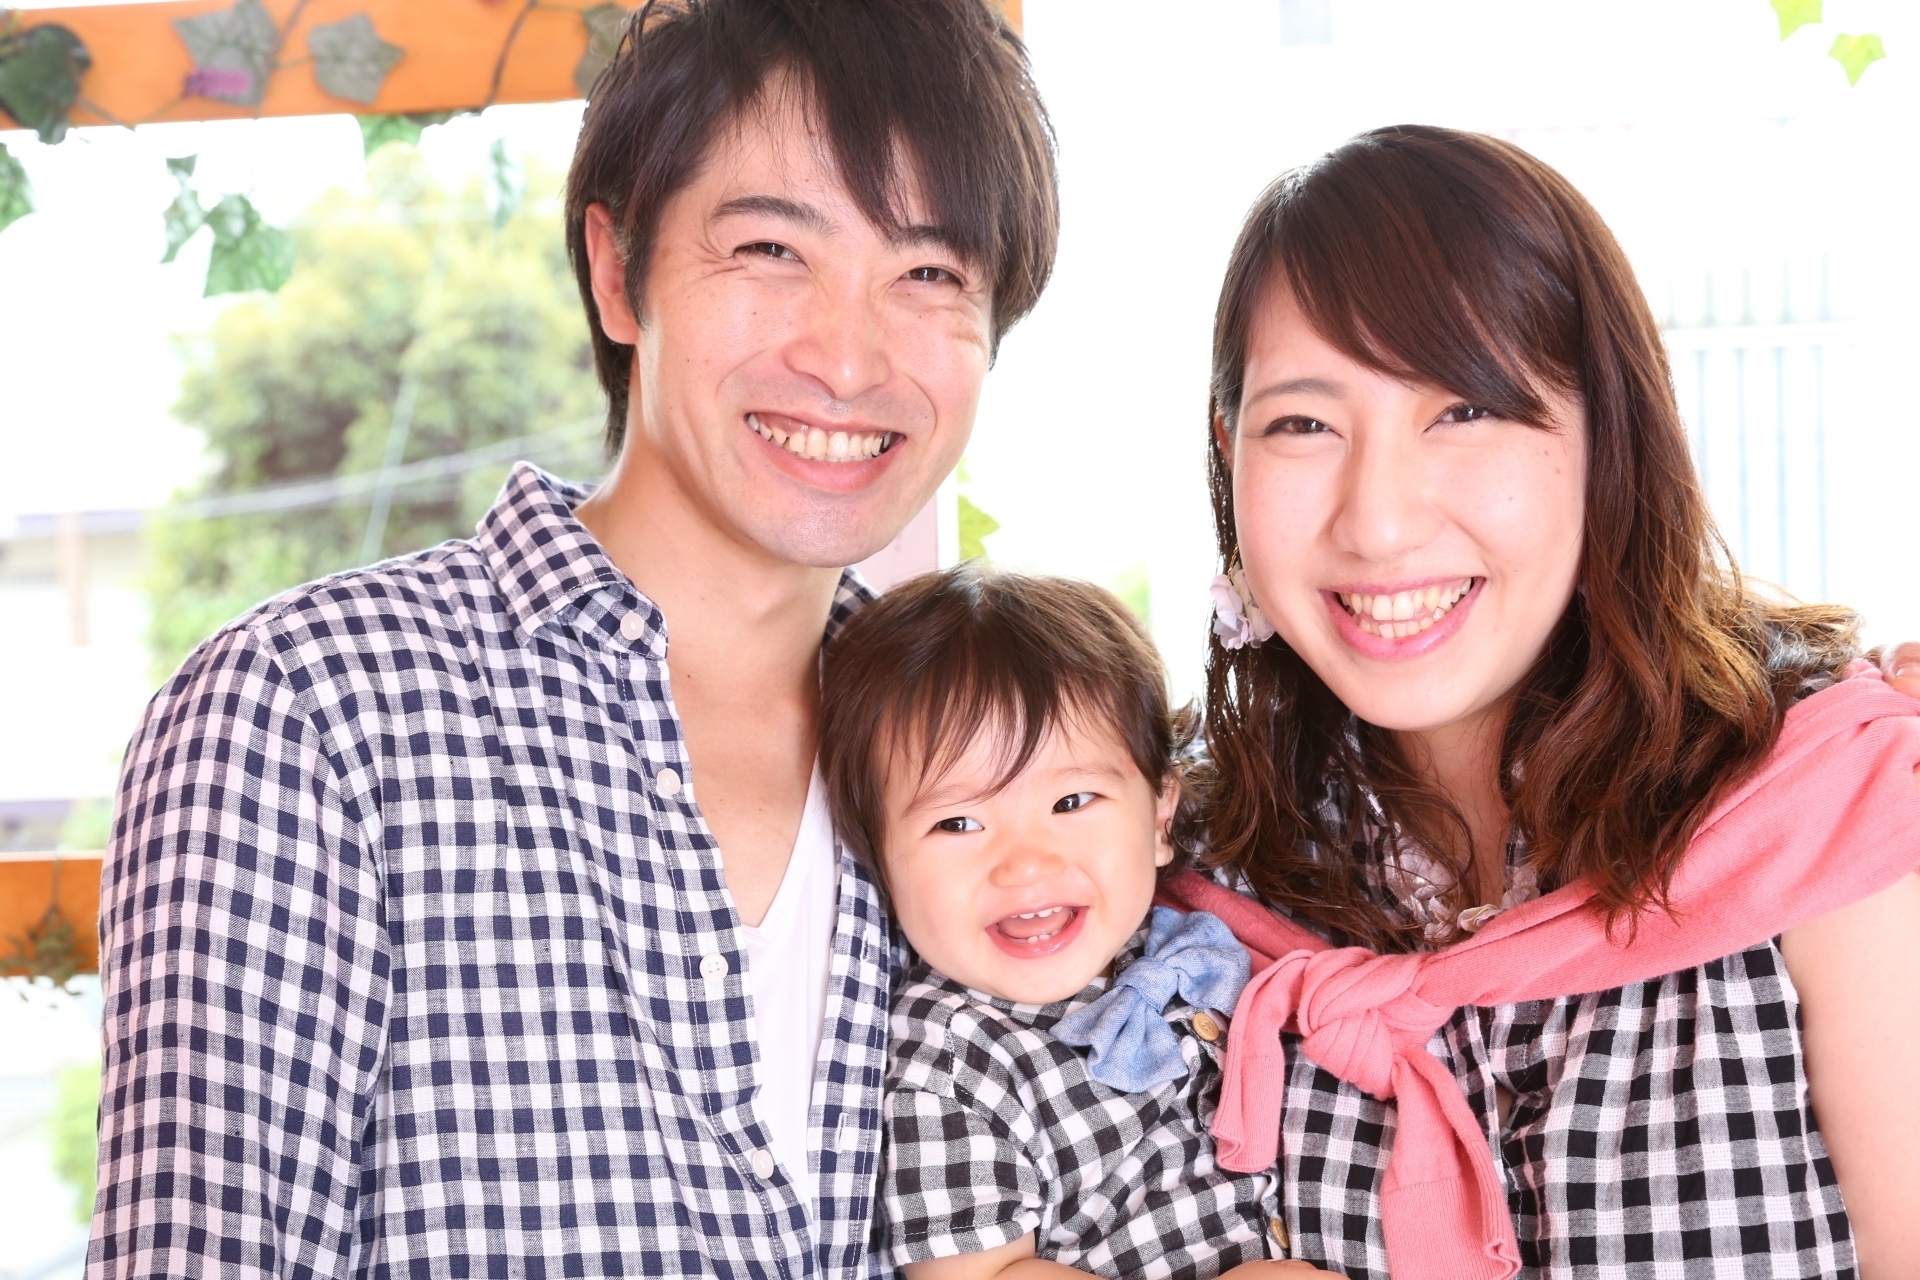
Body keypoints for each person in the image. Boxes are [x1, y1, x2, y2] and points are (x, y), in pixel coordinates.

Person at [89, 2, 1055, 1276]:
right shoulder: (305, 716)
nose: (846, 355)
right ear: (616, 271)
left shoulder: (1006, 757)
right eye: (771, 248)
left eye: (929, 274)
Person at [1173, 125, 1920, 1279]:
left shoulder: (1830, 800)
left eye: (1464, 409)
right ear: (1230, 457)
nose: (1379, 521)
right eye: (1304, 423)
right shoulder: (1174, 870)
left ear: (1608, 435)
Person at [815, 566, 1294, 1280]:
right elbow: (978, 1277)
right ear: (878, 858)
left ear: (1159, 817)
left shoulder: (1187, 945)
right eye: (958, 822)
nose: (1026, 864)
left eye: (1071, 803)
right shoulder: (951, 1056)